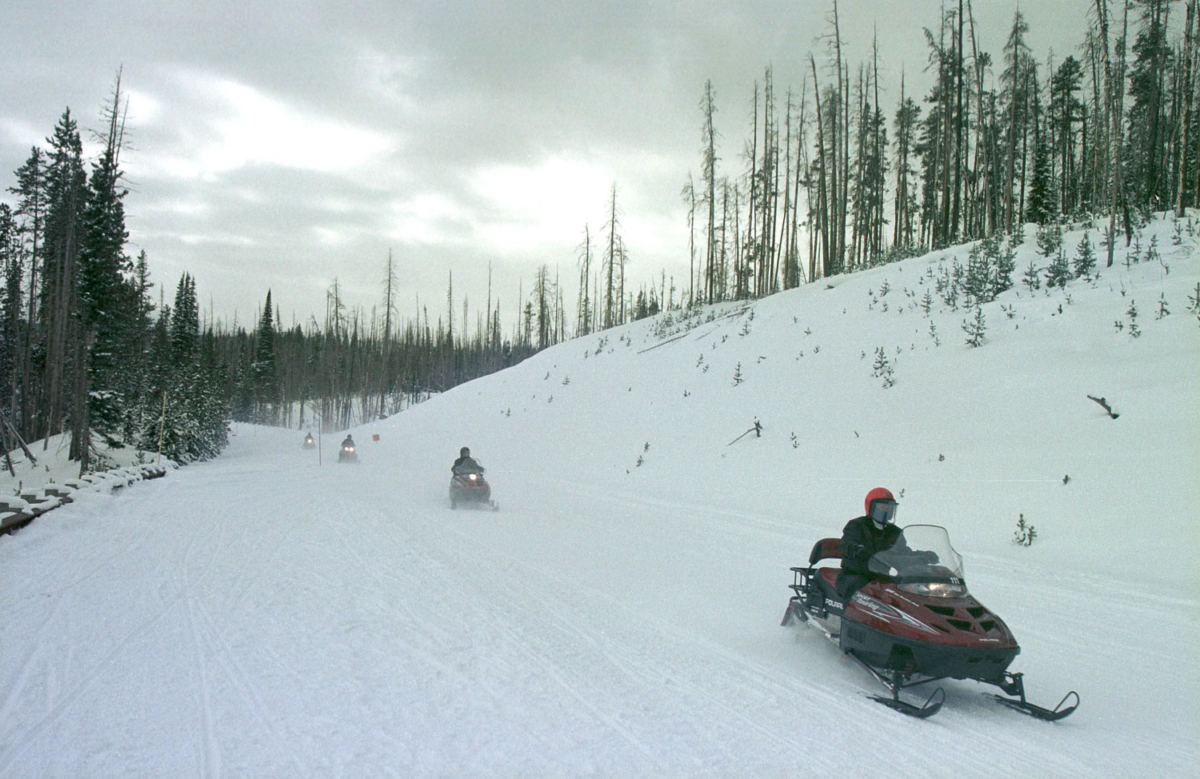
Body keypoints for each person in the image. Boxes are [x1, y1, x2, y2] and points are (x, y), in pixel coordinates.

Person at [836, 487, 903, 599]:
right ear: (870, 507)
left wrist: (922, 556)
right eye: (881, 508)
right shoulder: (857, 525)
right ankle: (845, 616)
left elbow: (902, 550)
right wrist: (856, 549)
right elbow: (847, 544)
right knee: (858, 592)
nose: (885, 511)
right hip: (856, 574)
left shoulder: (895, 532)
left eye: (888, 508)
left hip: (882, 577)